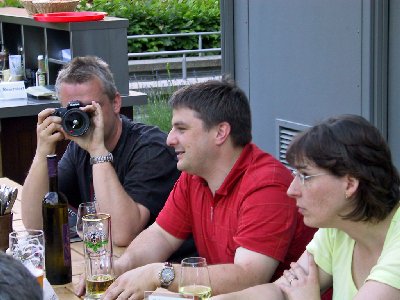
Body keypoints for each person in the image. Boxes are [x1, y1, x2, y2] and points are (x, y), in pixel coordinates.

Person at [93, 79, 316, 299]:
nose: (169, 139)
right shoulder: (195, 176)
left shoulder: (267, 184)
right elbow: (161, 236)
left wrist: (160, 274)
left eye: (181, 129)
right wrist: (122, 267)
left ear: (220, 133)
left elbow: (249, 276)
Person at [212, 114, 400, 300]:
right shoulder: (340, 226)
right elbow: (282, 291)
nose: (291, 190)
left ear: (350, 184)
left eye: (304, 176)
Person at [21, 56, 182, 247]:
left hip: (162, 267)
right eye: (72, 111)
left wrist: (98, 151)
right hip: (111, 261)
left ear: (115, 103)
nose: (80, 120)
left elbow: (122, 235)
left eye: (89, 108)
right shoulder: (79, 147)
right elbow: (36, 224)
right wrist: (42, 153)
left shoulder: (151, 148)